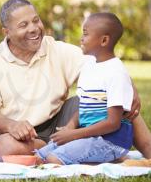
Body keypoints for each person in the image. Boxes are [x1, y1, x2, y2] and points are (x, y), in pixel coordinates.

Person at [0, 0, 151, 162]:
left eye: (36, 20)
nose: (34, 28)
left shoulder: (56, 49)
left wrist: (130, 87)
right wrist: (12, 126)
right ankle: (59, 149)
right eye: (23, 25)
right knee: (7, 147)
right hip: (14, 133)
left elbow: (104, 68)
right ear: (7, 32)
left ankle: (149, 151)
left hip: (60, 121)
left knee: (117, 100)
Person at [35, 12, 133, 165]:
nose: (81, 38)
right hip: (89, 137)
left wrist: (74, 135)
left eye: (85, 34)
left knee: (53, 159)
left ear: (104, 40)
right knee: (39, 156)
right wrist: (69, 127)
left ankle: (114, 156)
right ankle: (109, 159)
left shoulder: (116, 72)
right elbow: (83, 107)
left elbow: (113, 123)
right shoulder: (89, 66)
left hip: (111, 141)